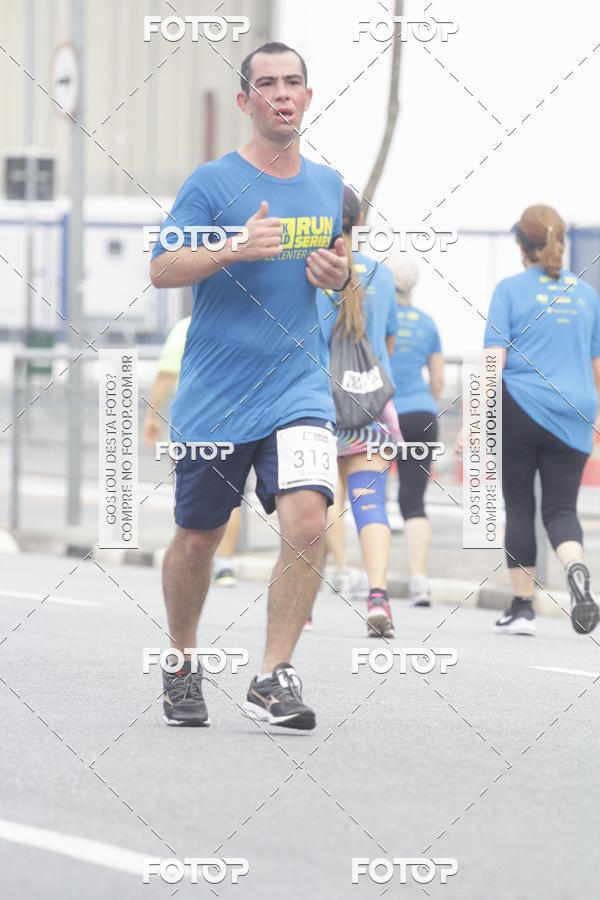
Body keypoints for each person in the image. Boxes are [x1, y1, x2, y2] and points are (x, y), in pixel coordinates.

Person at [149, 42, 350, 729]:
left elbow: (341, 266)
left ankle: (272, 675)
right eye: (267, 85)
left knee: (307, 520)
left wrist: (338, 276)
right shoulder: (212, 182)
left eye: (293, 82)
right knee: (199, 539)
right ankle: (180, 661)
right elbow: (163, 268)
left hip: (298, 388)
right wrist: (231, 247)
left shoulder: (329, 186)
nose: (282, 94)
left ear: (308, 95)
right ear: (247, 101)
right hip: (217, 395)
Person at [484, 204, 600, 636]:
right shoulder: (587, 296)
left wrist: (474, 423)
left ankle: (522, 607)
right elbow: (596, 370)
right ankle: (575, 567)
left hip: (521, 406)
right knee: (561, 508)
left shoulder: (509, 290)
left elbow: (492, 363)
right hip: (575, 412)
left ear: (521, 246)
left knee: (519, 505)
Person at [316, 186, 401, 638]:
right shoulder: (382, 275)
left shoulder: (309, 271)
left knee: (318, 499)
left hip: (320, 403)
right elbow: (387, 343)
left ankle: (308, 600)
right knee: (370, 502)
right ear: (359, 218)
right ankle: (378, 595)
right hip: (372, 404)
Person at [142, 316, 241, 587]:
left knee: (187, 494)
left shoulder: (185, 327)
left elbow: (165, 375)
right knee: (230, 495)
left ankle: (193, 557)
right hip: (233, 422)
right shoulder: (234, 322)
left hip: (193, 424)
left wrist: (151, 415)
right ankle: (224, 563)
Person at [387, 255, 444, 606]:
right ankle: (420, 581)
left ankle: (361, 577)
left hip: (380, 414)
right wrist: (426, 401)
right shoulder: (427, 323)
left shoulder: (380, 319)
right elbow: (437, 379)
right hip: (421, 414)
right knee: (413, 499)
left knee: (368, 493)